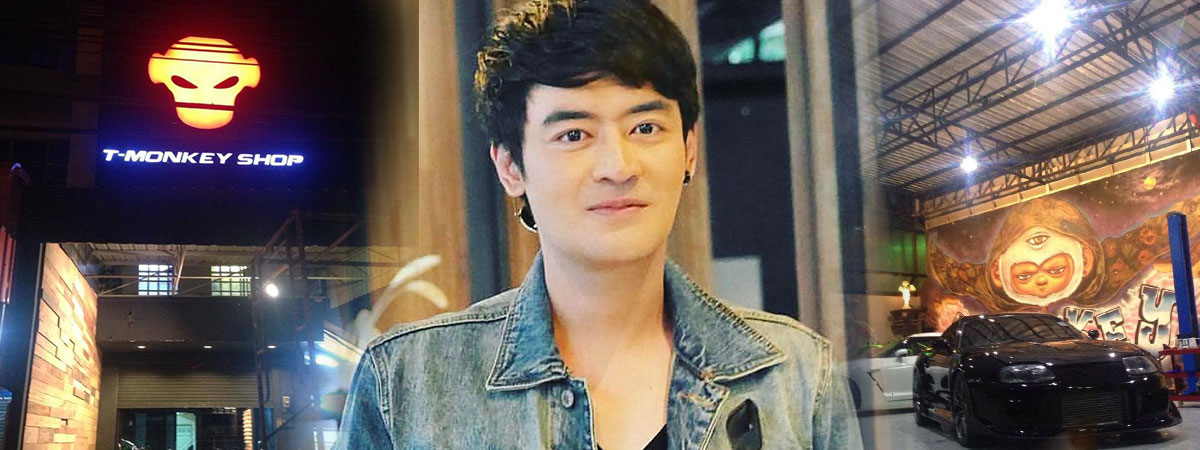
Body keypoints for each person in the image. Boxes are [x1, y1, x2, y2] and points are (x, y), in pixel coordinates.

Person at [335, 0, 862, 448]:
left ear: (689, 148)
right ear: (510, 167)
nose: (618, 167)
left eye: (646, 127)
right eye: (574, 135)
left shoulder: (793, 376)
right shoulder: (409, 384)